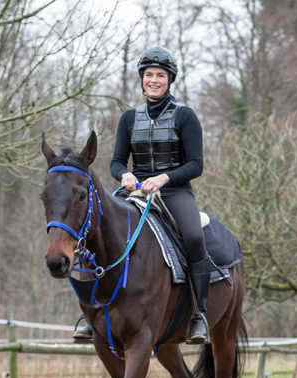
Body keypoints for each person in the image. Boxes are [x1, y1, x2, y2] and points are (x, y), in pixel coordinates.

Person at [73, 46, 211, 344]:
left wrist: (163, 177)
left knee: (194, 237)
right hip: (134, 191)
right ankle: (89, 311)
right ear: (142, 79)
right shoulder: (128, 118)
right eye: (149, 75)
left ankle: (199, 315)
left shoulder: (185, 116)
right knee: (93, 231)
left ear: (169, 80)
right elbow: (117, 161)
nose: (154, 80)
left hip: (173, 192)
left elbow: (196, 165)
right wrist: (125, 175)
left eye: (160, 75)